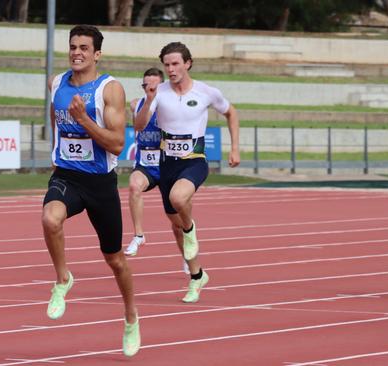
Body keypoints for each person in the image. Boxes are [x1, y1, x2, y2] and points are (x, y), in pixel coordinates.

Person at [42, 25, 140, 357]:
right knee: (50, 219)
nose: (76, 52)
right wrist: (57, 156)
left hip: (100, 183)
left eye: (84, 48)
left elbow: (116, 143)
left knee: (114, 260)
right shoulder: (57, 83)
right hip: (68, 176)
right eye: (72, 47)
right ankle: (63, 279)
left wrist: (84, 120)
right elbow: (56, 124)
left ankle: (130, 316)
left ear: (97, 54)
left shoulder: (109, 90)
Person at [135, 42, 240, 303]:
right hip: (167, 162)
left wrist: (235, 148)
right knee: (175, 223)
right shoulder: (158, 92)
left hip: (194, 160)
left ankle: (191, 231)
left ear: (187, 63)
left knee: (179, 200)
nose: (170, 69)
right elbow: (137, 126)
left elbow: (231, 112)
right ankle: (197, 277)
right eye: (167, 65)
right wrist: (148, 100)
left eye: (175, 64)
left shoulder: (206, 92)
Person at [124, 68, 164, 256]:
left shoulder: (169, 105)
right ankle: (138, 235)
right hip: (145, 163)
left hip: (166, 163)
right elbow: (138, 125)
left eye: (153, 87)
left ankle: (188, 255)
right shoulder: (136, 104)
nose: (149, 89)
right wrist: (149, 101)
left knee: (177, 217)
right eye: (145, 85)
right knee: (134, 186)